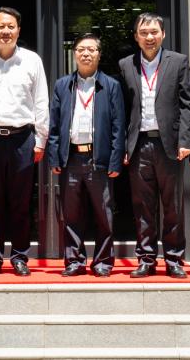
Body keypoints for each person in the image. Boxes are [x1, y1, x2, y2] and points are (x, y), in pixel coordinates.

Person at [118, 12, 190, 279]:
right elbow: (123, 109)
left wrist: (185, 140)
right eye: (144, 33)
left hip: (169, 145)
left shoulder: (178, 61)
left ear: (163, 34)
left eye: (154, 32)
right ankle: (146, 259)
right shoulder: (126, 64)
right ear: (136, 36)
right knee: (143, 206)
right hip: (139, 144)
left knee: (173, 205)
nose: (149, 37)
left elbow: (188, 104)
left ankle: (173, 259)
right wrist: (124, 146)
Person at [0, 7, 48, 277]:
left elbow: (41, 101)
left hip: (22, 139)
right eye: (1, 26)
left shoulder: (32, 61)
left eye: (11, 26)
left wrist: (41, 140)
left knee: (20, 202)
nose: (6, 31)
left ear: (18, 30)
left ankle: (19, 257)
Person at [46, 34, 125, 277]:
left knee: (104, 214)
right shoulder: (63, 85)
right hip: (71, 158)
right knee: (71, 214)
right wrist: (54, 157)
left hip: (98, 158)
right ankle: (74, 262)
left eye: (91, 49)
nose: (86, 54)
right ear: (74, 54)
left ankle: (103, 262)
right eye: (81, 49)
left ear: (99, 54)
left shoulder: (111, 85)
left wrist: (115, 160)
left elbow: (118, 126)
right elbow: (54, 125)